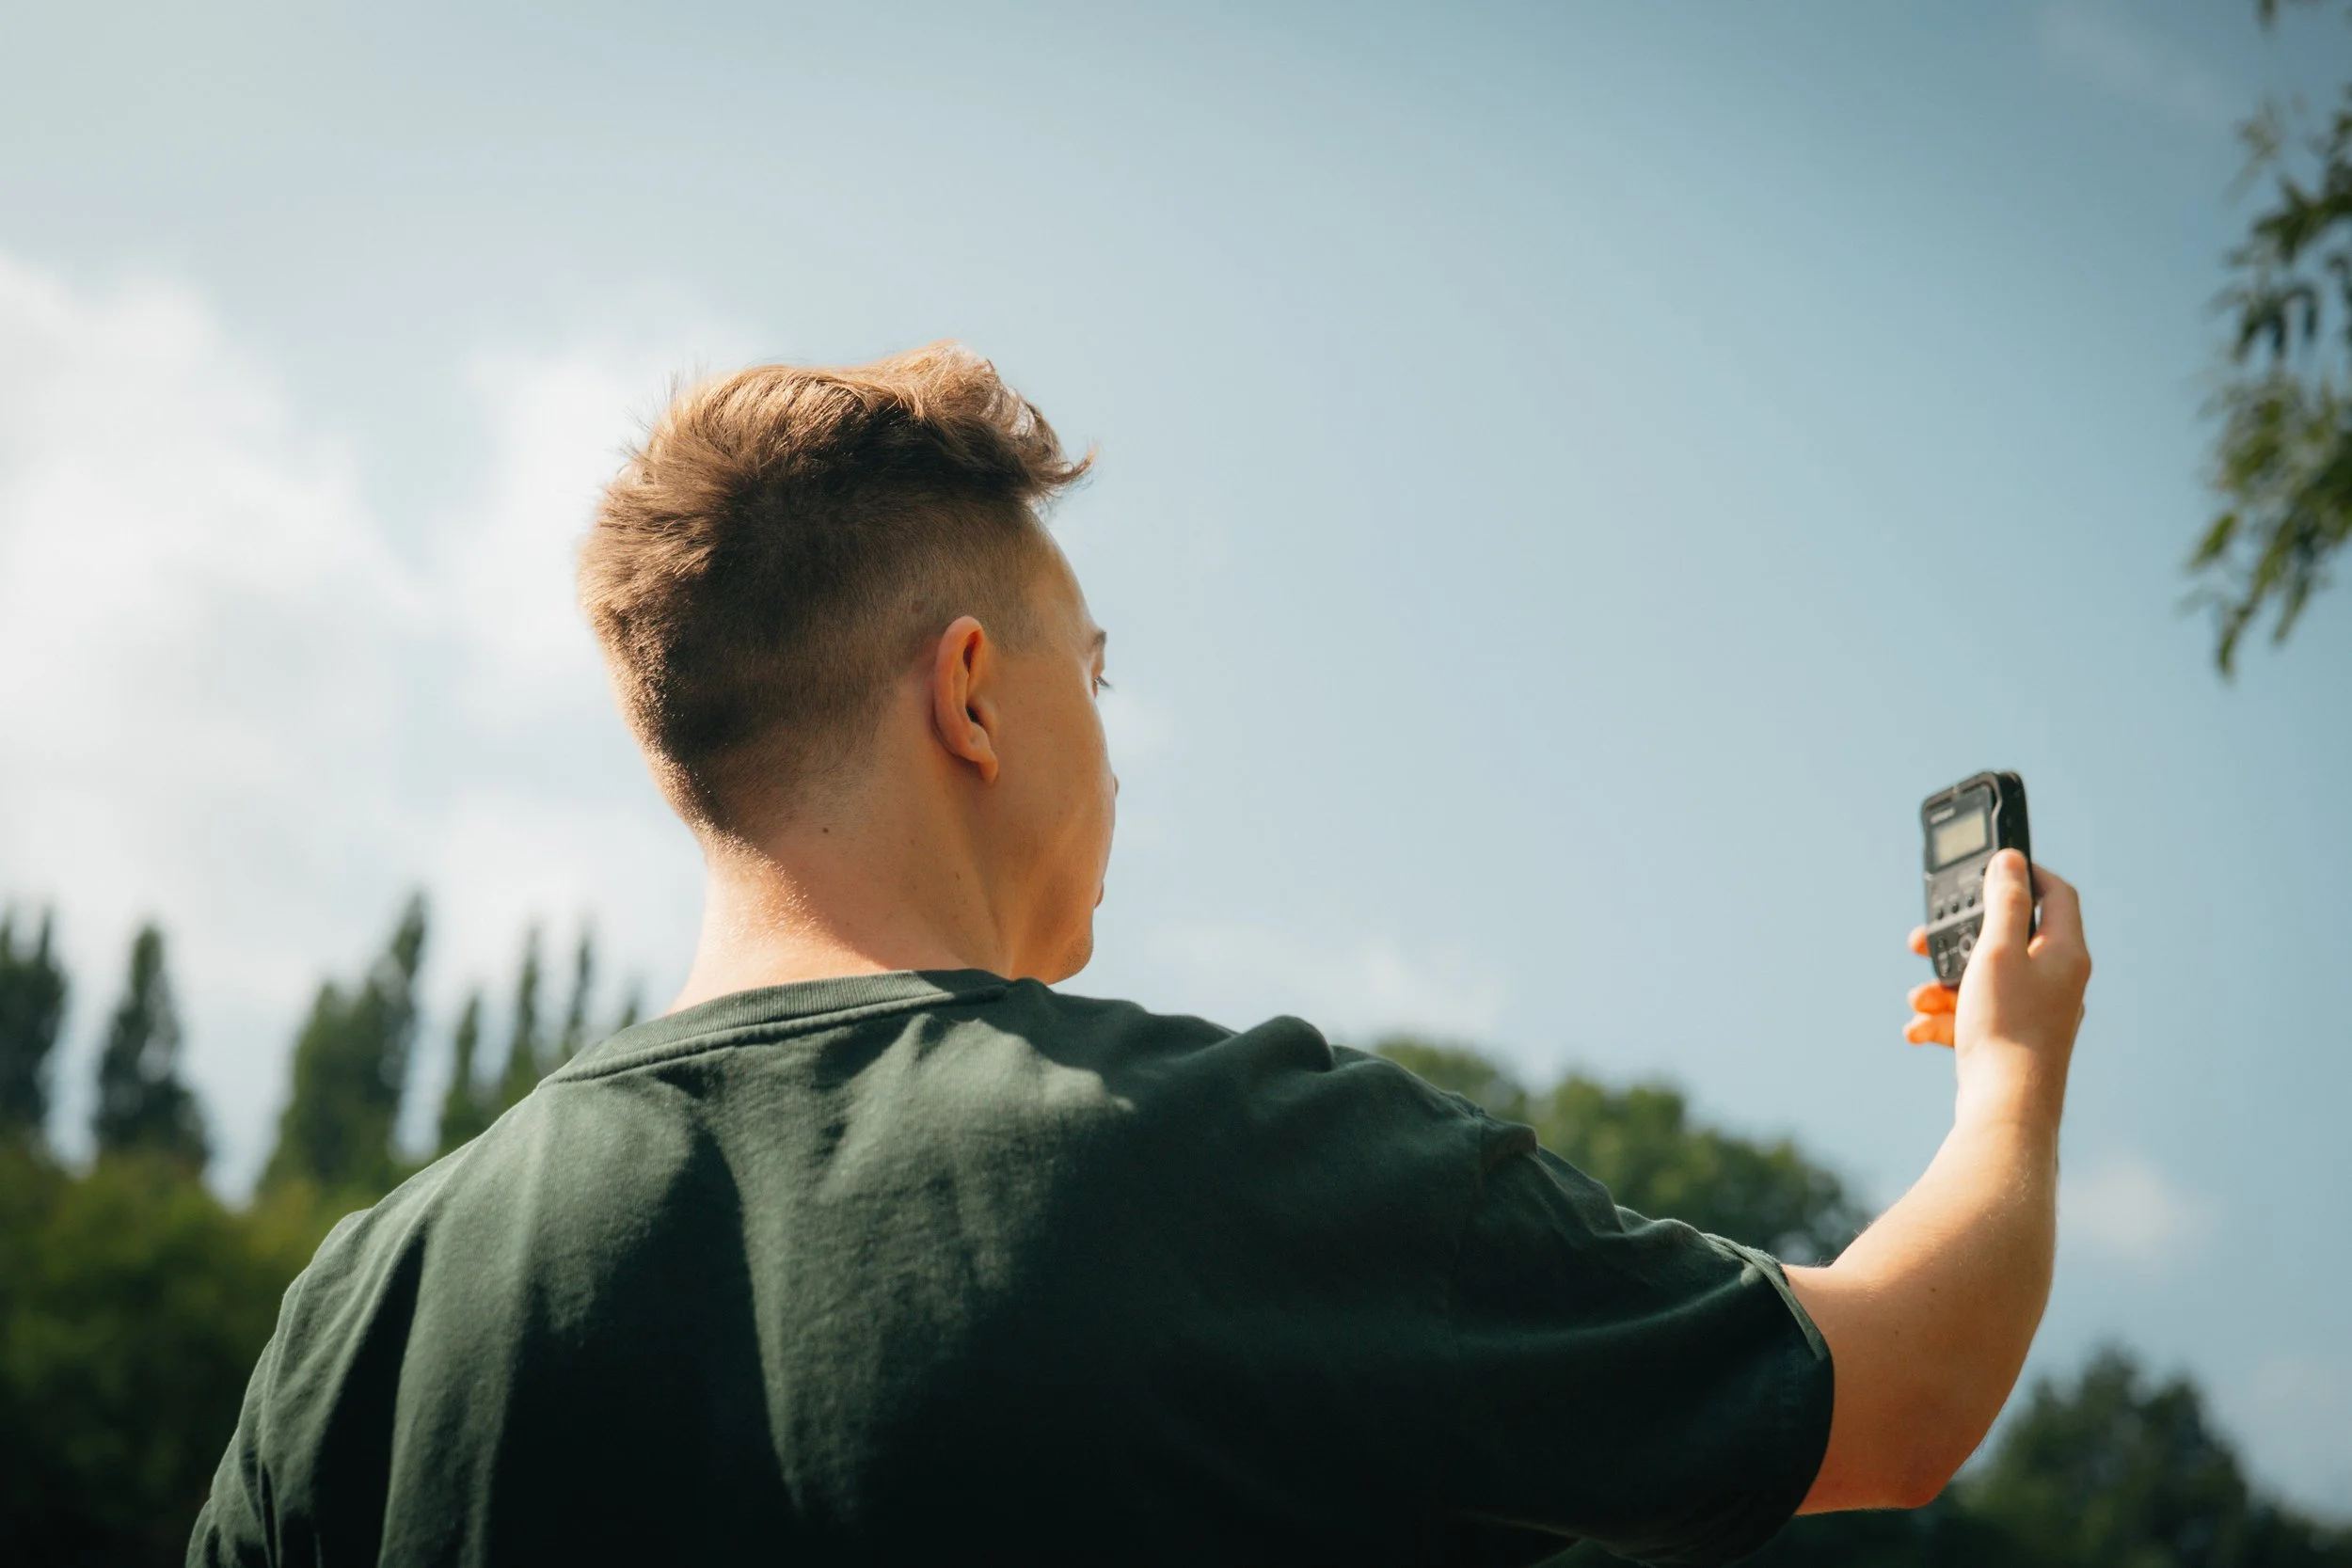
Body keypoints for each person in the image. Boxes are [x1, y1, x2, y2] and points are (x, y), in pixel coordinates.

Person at [189, 344, 2091, 1567]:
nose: (1111, 734)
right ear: (968, 696)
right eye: (1085, 669)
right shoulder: (1208, 1156)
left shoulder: (363, 1311)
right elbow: (1902, 1386)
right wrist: (2004, 1066)